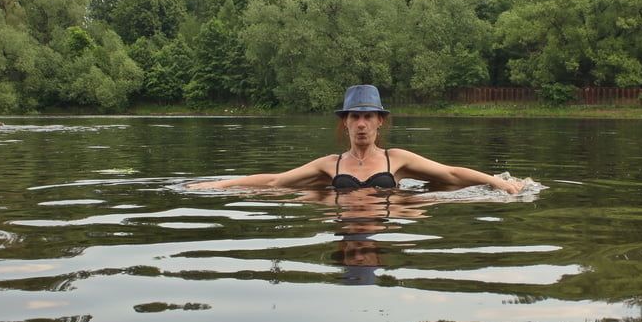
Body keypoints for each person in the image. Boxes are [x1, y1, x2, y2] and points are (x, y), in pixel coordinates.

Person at [186, 84, 525, 194]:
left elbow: (451, 174)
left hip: (390, 213)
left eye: (368, 117)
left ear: (380, 122)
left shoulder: (398, 160)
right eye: (354, 117)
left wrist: (500, 183)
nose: (361, 124)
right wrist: (217, 185)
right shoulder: (329, 165)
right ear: (345, 124)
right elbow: (275, 181)